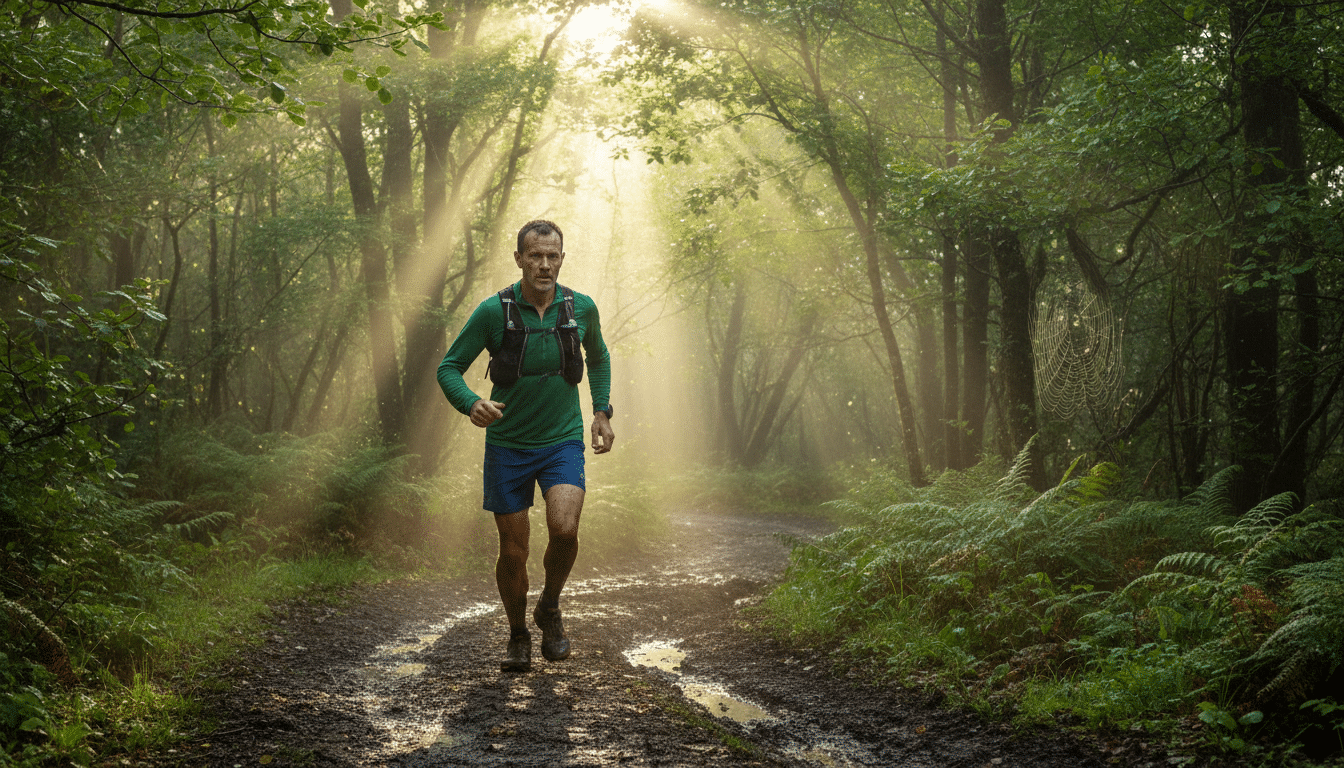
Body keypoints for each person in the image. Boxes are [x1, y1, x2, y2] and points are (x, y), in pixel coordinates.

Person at [437, 219, 615, 673]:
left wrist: (601, 411)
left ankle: (549, 606)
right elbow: (449, 367)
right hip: (508, 445)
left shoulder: (581, 308)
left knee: (565, 530)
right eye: (535, 255)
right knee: (514, 550)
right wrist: (471, 403)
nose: (544, 265)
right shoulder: (493, 312)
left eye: (552, 256)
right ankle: (518, 633)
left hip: (561, 441)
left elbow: (598, 356)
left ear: (562, 259)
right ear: (519, 259)